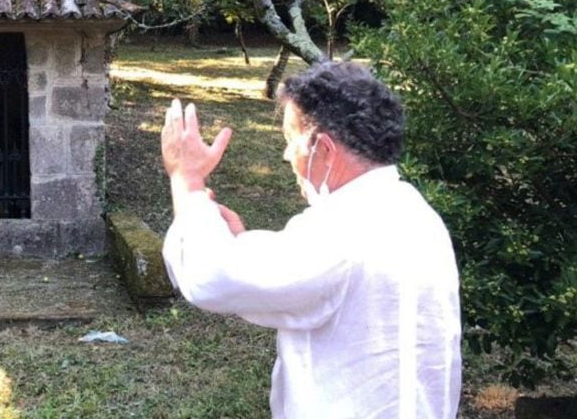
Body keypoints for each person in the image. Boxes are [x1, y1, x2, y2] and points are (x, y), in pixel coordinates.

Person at [161, 61, 461, 418]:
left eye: (292, 141)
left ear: (326, 151)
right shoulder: (413, 213)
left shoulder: (343, 230)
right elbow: (315, 276)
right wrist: (242, 243)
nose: (288, 155)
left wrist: (188, 182)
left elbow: (212, 279)